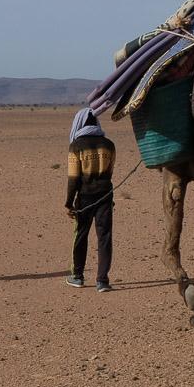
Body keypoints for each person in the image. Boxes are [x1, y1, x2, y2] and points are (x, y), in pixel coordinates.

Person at [65, 107, 115, 292]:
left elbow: (73, 179)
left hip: (84, 198)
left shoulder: (76, 146)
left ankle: (77, 276)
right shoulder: (109, 145)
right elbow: (110, 173)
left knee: (81, 235)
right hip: (105, 196)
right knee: (105, 237)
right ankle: (102, 281)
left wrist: (68, 203)